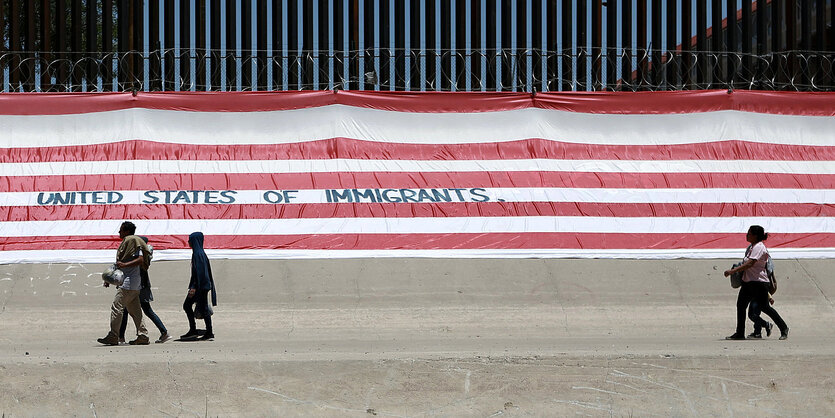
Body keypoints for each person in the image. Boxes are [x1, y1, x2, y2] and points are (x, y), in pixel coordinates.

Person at [723, 225, 789, 340]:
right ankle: (740, 333)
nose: (747, 235)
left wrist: (732, 271)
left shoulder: (759, 247)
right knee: (741, 306)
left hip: (759, 283)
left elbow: (750, 264)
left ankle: (784, 328)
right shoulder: (752, 247)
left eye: (749, 233)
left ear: (755, 236)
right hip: (747, 283)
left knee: (765, 307)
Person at [97, 221, 152, 346]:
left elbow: (140, 259)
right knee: (136, 311)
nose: (119, 232)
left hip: (128, 284)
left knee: (117, 307)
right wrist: (109, 278)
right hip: (133, 284)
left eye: (121, 230)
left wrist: (124, 265)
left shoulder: (132, 241)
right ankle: (143, 335)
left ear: (126, 231)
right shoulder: (129, 242)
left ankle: (113, 335)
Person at [118, 236, 171, 344]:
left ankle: (121, 337)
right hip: (142, 286)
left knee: (126, 310)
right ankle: (163, 332)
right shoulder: (145, 254)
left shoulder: (140, 255)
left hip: (138, 287)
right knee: (145, 310)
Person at [180, 232, 217, 341]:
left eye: (190, 240)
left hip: (200, 286)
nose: (188, 242)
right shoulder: (200, 253)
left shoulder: (197, 254)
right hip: (202, 285)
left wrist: (193, 288)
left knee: (190, 306)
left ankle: (201, 331)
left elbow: (199, 274)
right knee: (201, 307)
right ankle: (203, 331)